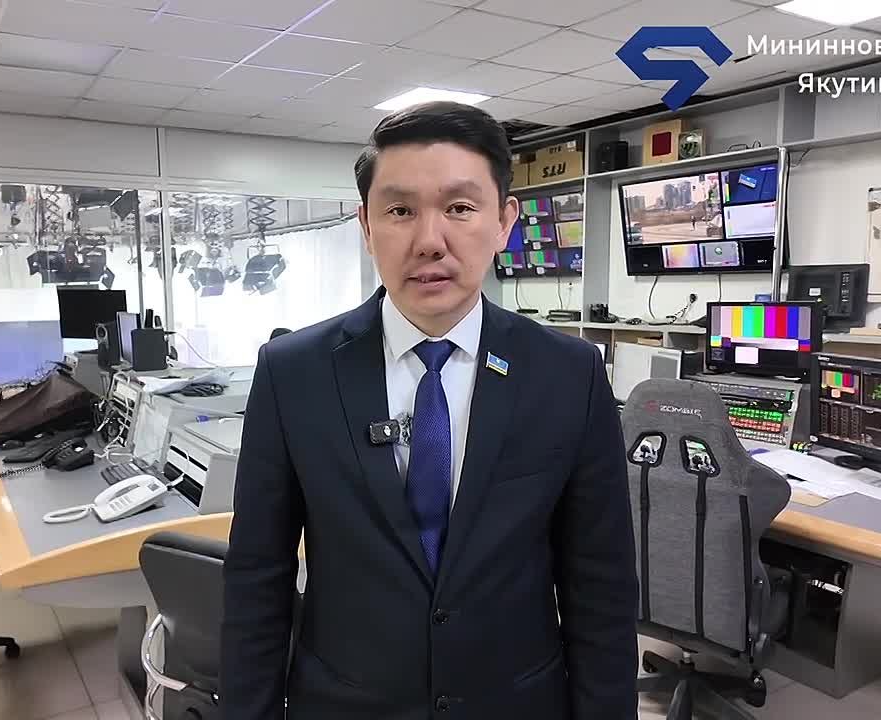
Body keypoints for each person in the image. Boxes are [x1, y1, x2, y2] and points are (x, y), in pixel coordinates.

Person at [221, 101, 638, 720]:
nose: (429, 241)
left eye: (460, 208)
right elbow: (258, 575)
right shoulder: (292, 373)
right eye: (400, 211)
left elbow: (601, 586)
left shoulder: (569, 374)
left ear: (504, 221)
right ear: (367, 227)